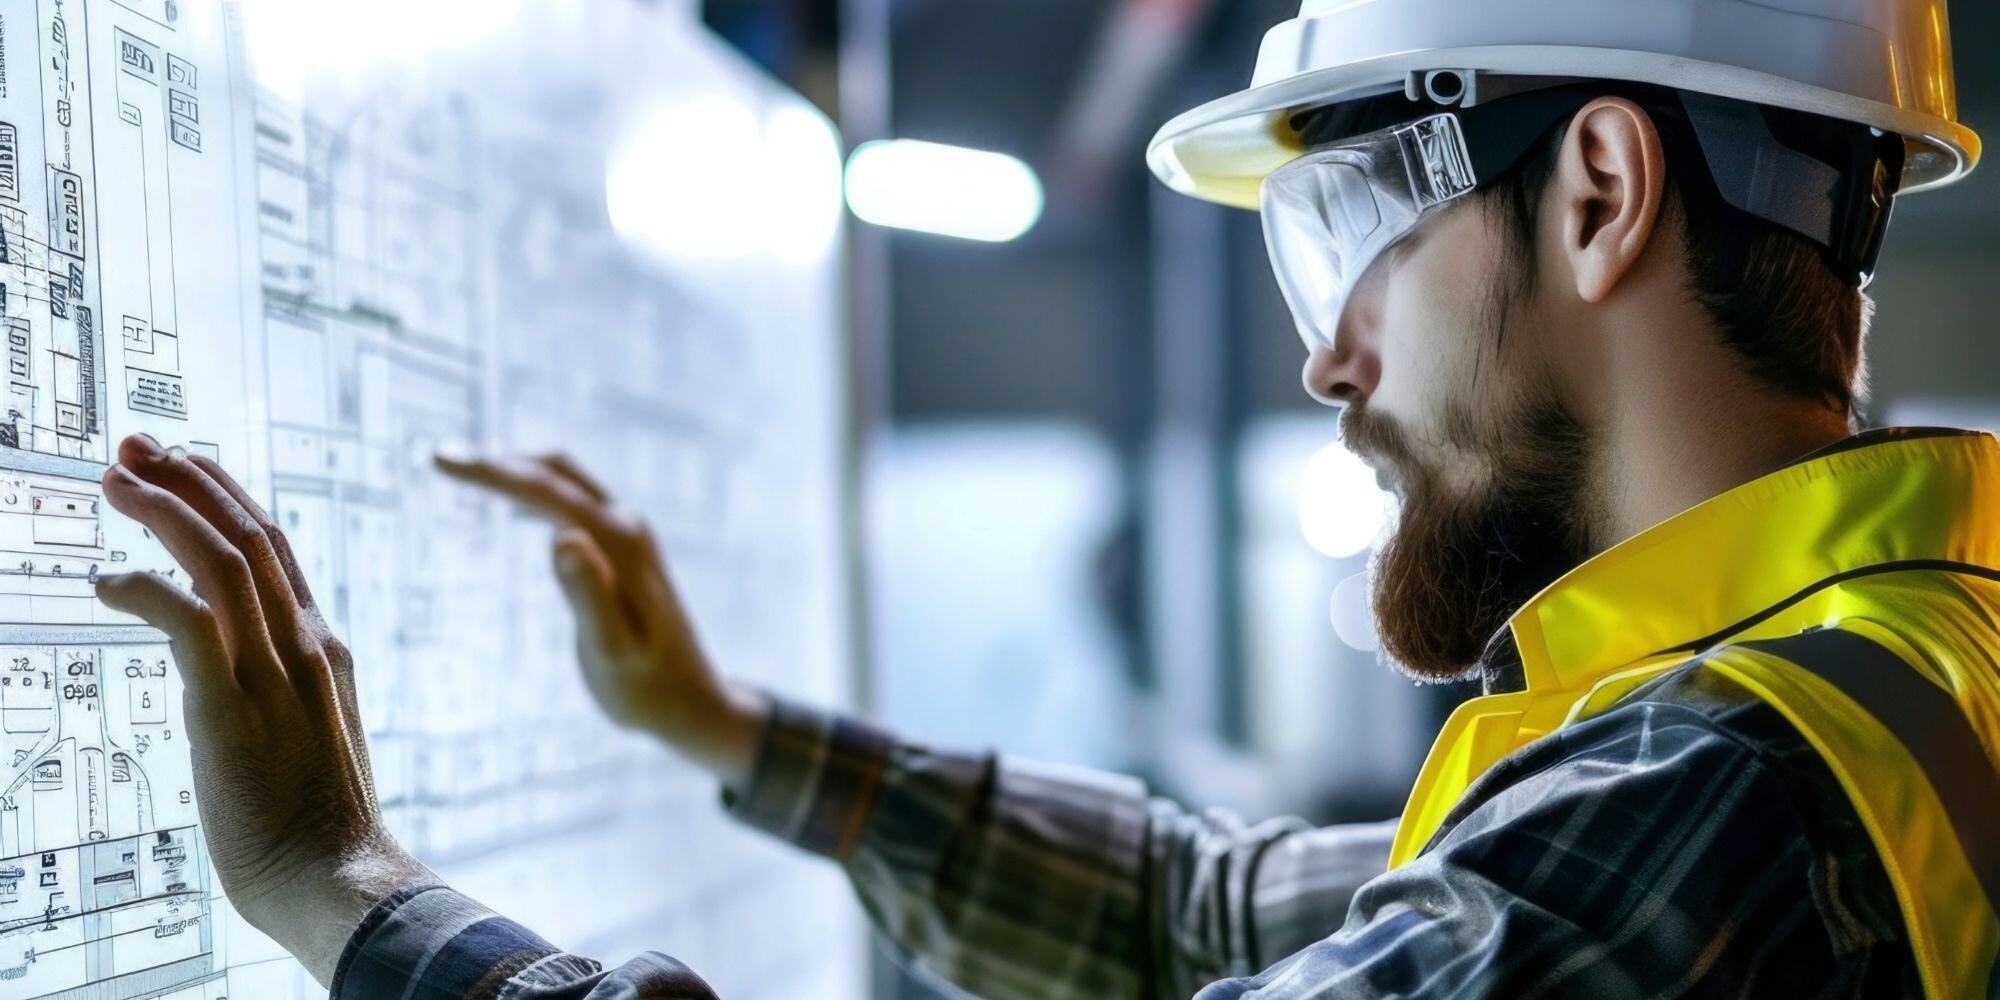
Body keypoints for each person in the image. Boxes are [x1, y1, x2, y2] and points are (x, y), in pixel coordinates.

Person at [92, 0, 2000, 997]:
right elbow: (1211, 918)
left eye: (1351, 235)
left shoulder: (1750, 796)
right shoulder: (1878, 680)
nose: (1331, 359)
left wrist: (343, 894)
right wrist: (734, 730)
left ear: (1598, 192)